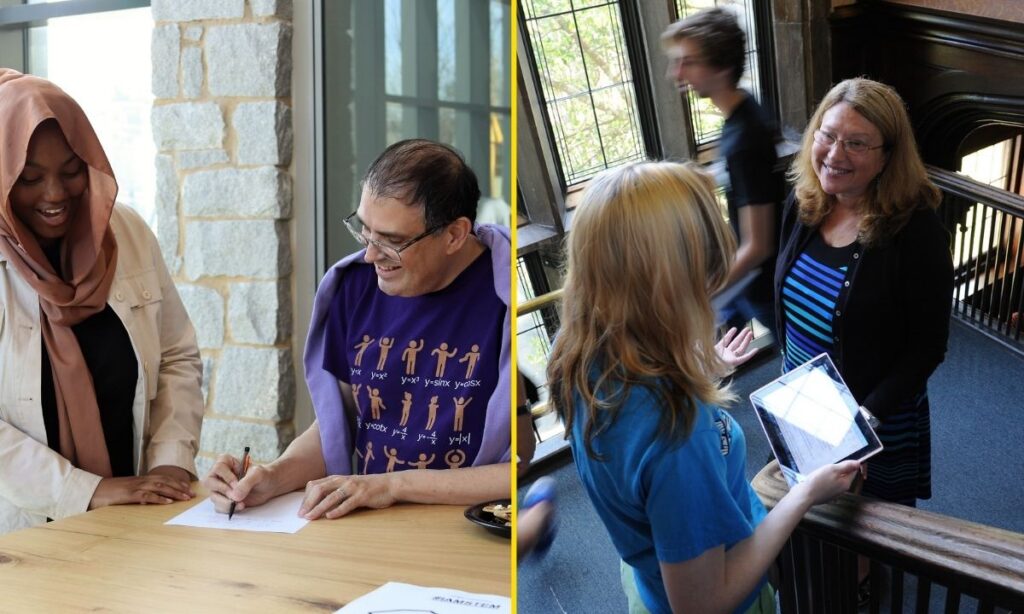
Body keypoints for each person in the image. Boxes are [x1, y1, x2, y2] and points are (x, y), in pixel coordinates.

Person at [546, 160, 860, 614]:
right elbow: (704, 605)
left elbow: (632, 446)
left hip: (647, 579)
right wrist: (805, 494)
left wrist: (695, 372)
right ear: (673, 281)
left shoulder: (574, 350)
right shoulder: (679, 435)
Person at [205, 139, 511, 519]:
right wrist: (272, 476)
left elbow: (518, 467)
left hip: (465, 529)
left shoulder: (505, 298)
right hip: (370, 524)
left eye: (393, 241)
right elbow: (342, 420)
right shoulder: (354, 286)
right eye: (365, 232)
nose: (370, 254)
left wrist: (393, 484)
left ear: (454, 235)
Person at [0, 70, 204, 534]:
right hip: (23, 540)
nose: (55, 195)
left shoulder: (126, 232)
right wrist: (86, 491)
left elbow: (176, 355)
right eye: (30, 178)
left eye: (71, 171)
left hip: (136, 522)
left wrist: (171, 461)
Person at [776, 78, 953, 507]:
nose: (835, 155)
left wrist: (863, 422)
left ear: (887, 157)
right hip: (803, 404)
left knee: (866, 533)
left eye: (856, 144)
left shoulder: (917, 231)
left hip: (874, 416)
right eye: (828, 135)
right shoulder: (805, 203)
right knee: (803, 519)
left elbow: (927, 347)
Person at [662, 8, 783, 337]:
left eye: (688, 61)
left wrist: (705, 294)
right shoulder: (744, 108)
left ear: (722, 66)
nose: (676, 73)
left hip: (761, 283)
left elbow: (758, 245)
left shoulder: (744, 139)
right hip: (752, 278)